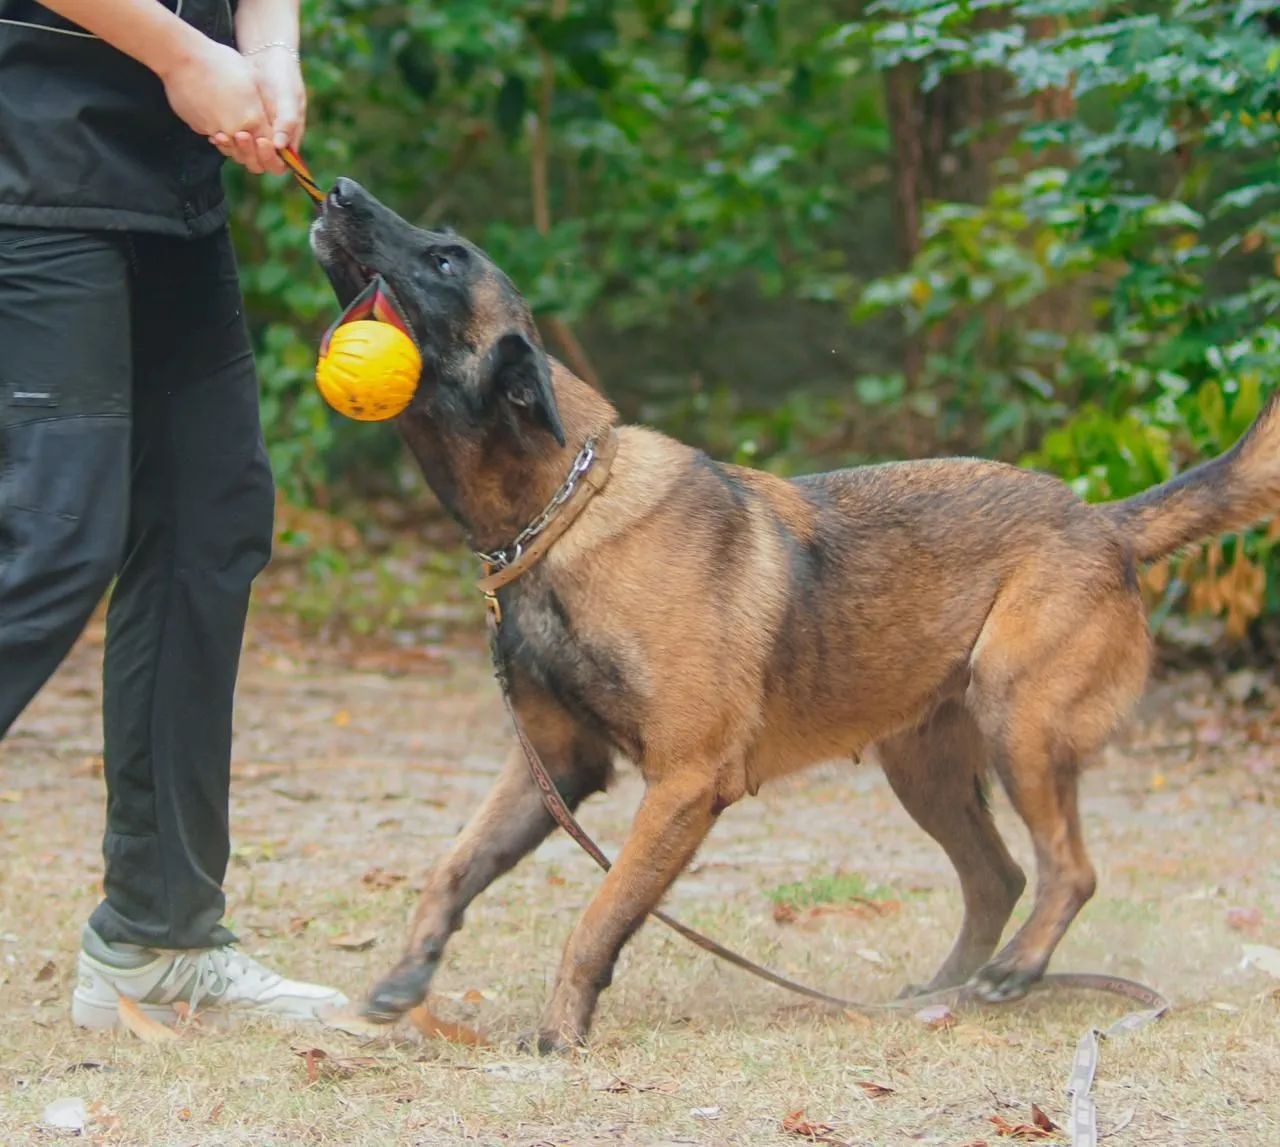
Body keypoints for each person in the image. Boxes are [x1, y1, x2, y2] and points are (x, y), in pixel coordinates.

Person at [0, 0, 347, 1028]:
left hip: (168, 176)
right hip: (28, 148)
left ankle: (158, 936)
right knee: (52, 539)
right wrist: (184, 51)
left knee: (211, 520)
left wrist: (268, 52)